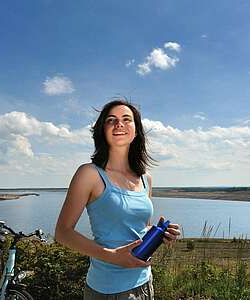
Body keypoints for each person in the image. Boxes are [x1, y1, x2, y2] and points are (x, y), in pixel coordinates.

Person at [55, 99, 180, 300]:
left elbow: (141, 228)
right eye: (111, 120)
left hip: (144, 282)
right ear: (102, 130)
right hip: (108, 289)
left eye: (126, 119)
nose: (119, 124)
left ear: (136, 130)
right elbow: (62, 233)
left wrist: (160, 234)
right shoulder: (89, 174)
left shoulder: (145, 178)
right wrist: (113, 256)